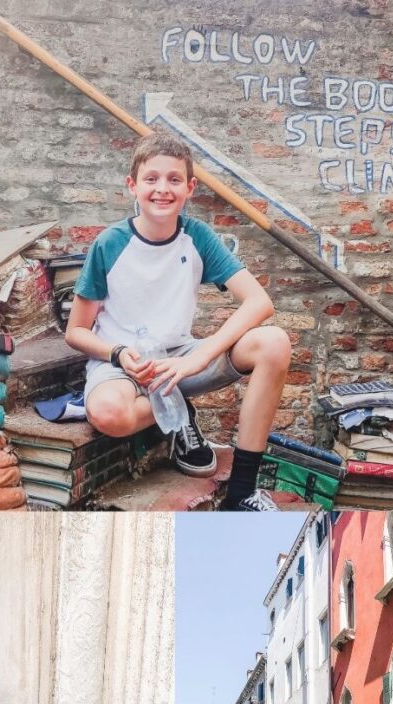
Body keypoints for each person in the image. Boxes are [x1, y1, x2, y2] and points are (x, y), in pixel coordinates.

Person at [66, 131, 292, 511]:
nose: (162, 189)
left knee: (274, 343)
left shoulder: (197, 237)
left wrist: (197, 359)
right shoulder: (109, 243)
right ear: (132, 186)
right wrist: (119, 353)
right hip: (125, 365)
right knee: (108, 413)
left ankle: (242, 492)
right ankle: (176, 414)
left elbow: (259, 301)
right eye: (151, 179)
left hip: (180, 361)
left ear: (189, 188)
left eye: (174, 180)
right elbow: (76, 332)